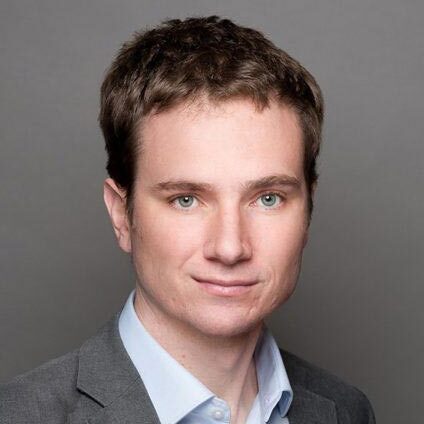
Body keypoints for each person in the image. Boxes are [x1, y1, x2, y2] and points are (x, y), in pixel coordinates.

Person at [0, 16, 375, 424]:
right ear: (120, 215)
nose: (230, 247)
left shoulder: (346, 410)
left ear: (307, 211)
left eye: (268, 198)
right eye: (185, 199)